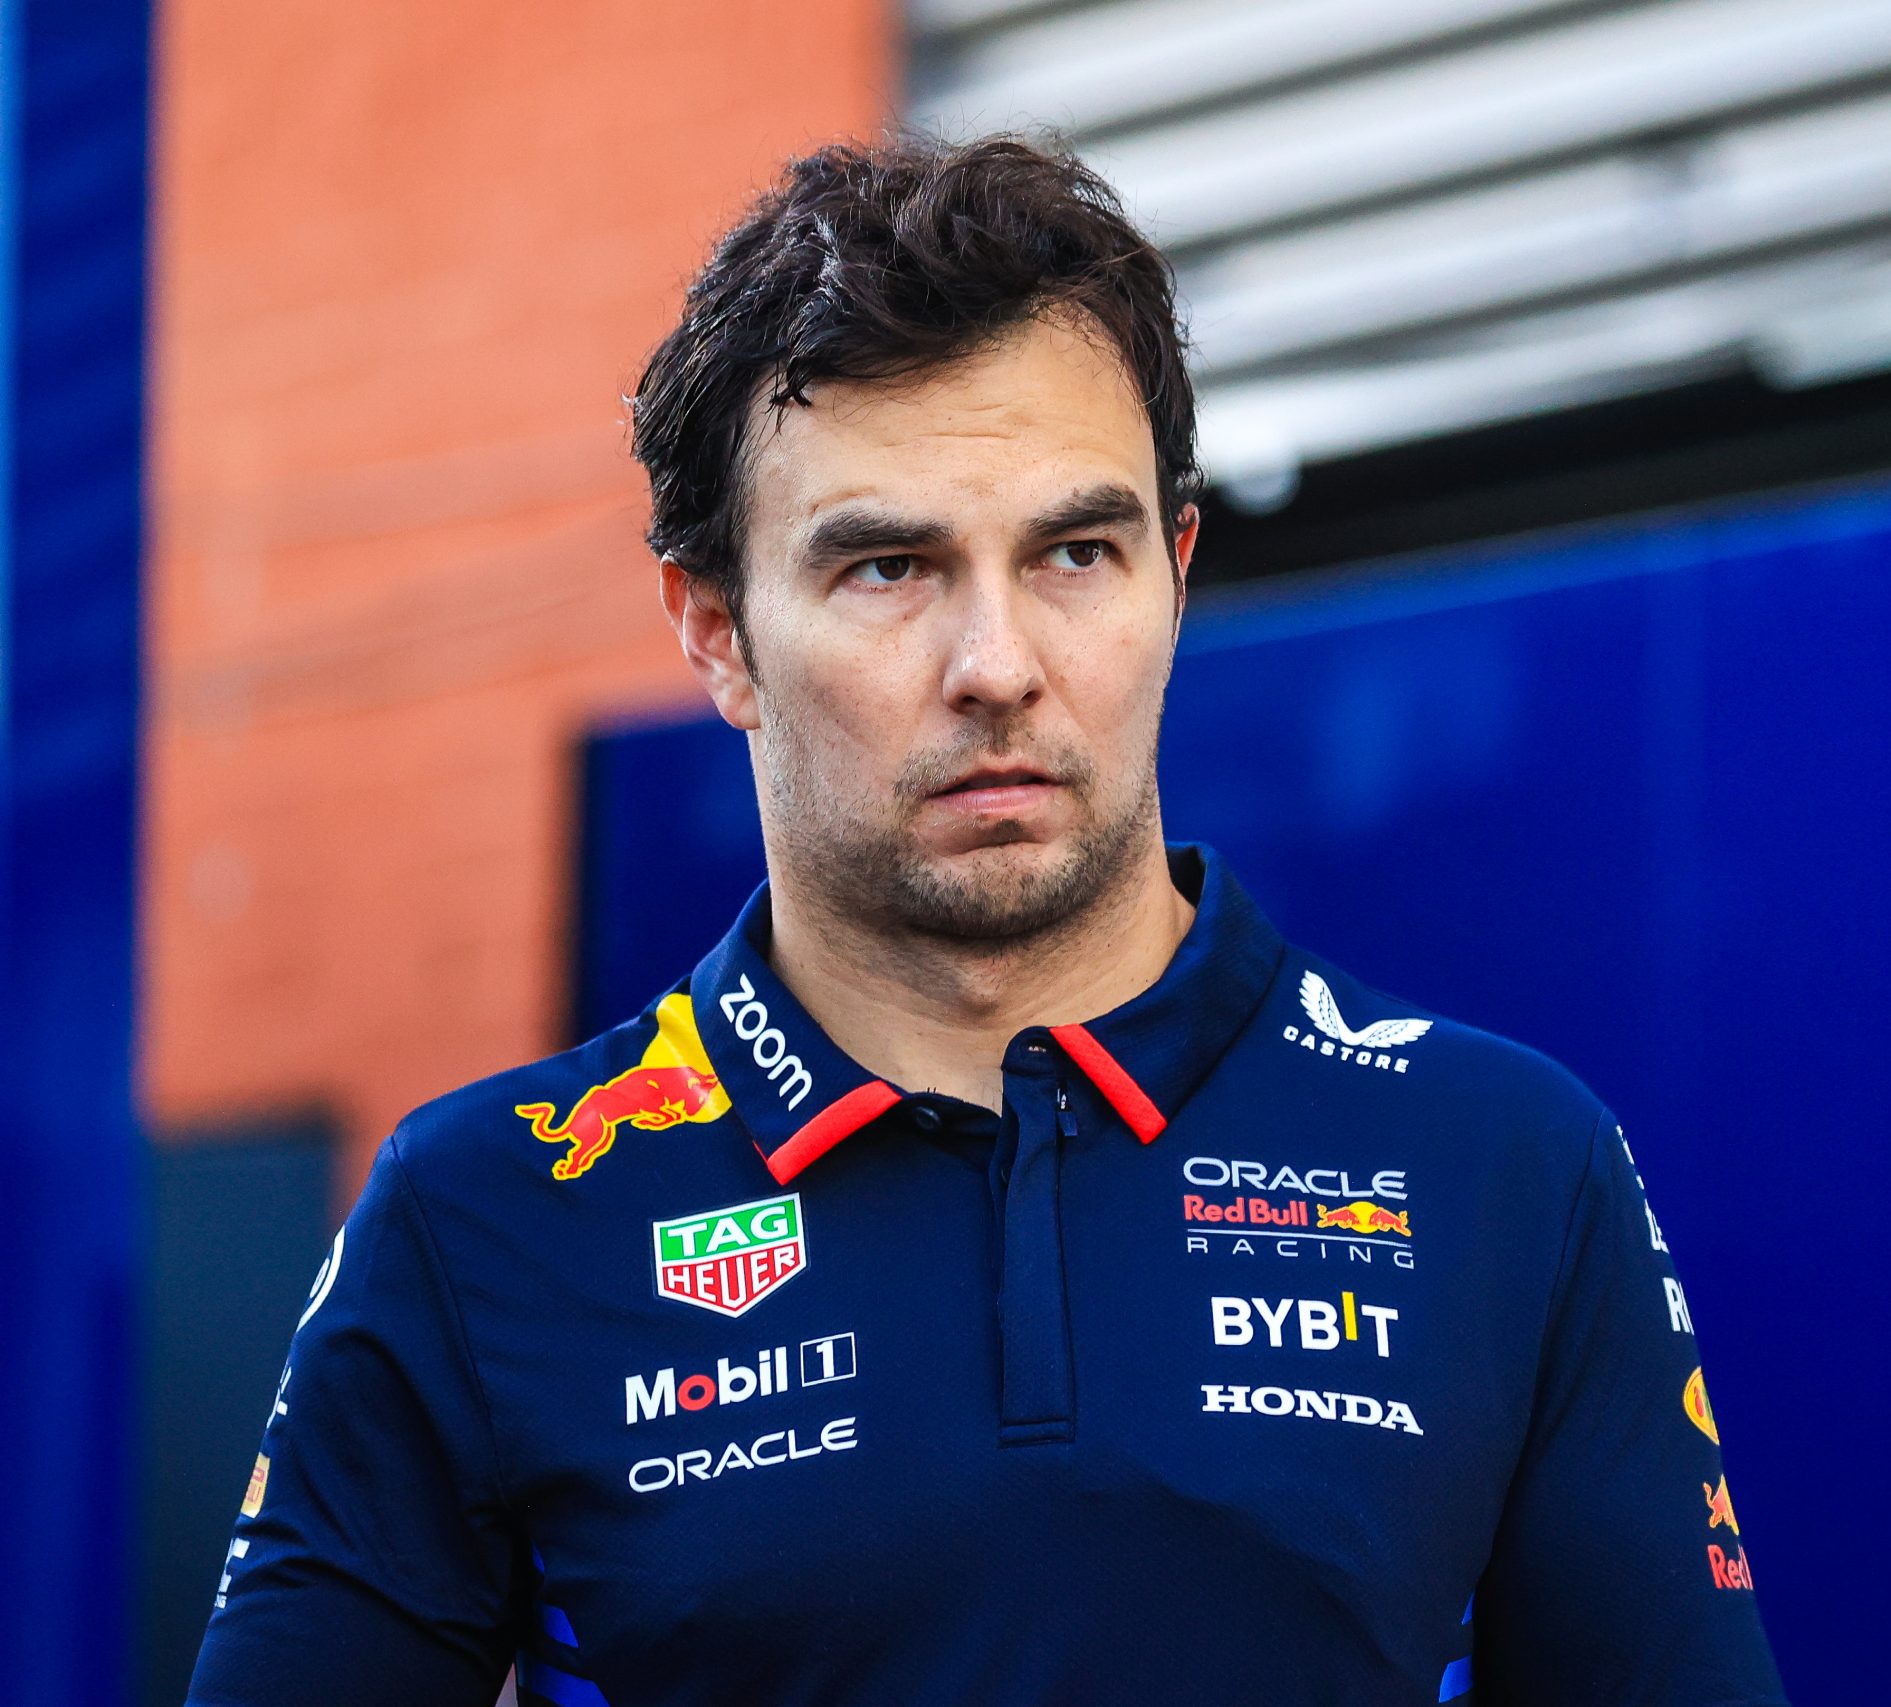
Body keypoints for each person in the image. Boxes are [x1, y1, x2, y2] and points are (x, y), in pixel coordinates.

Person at [186, 136, 1787, 1707]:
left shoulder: (1507, 1164)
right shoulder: (485, 1218)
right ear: (718, 633)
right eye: (889, 569)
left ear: (1177, 572)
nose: (998, 663)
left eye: (1075, 553)